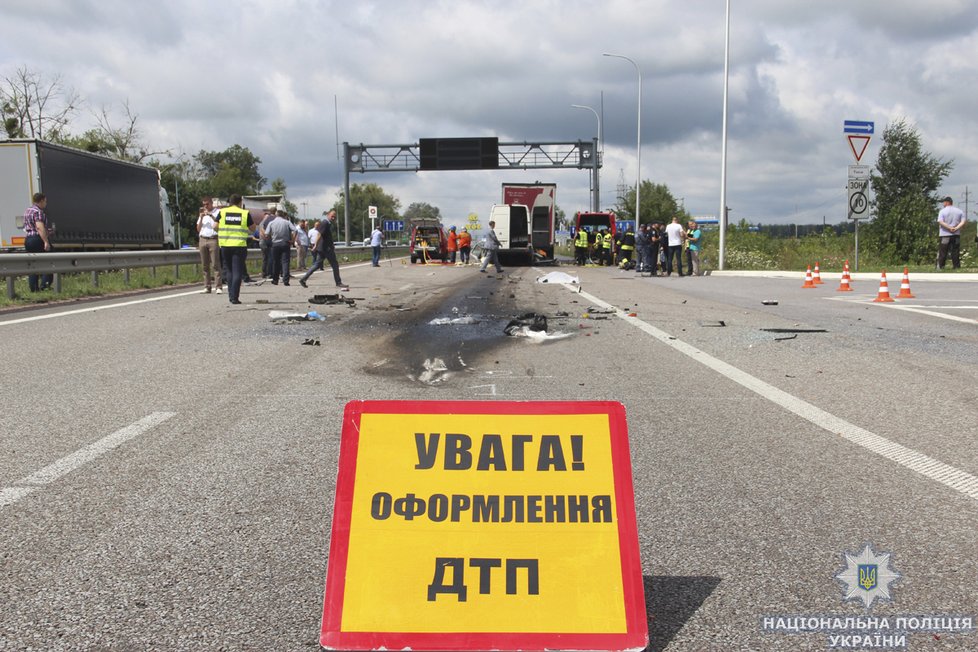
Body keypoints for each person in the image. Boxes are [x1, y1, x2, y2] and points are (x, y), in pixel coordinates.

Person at [217, 194, 255, 305]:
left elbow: (215, 226)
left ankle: (230, 295)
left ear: (230, 202)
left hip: (225, 245)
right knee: (237, 271)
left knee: (229, 270)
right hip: (239, 245)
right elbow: (253, 229)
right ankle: (234, 297)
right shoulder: (244, 213)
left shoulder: (222, 212)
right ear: (240, 202)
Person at [300, 209, 347, 289]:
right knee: (335, 265)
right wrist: (315, 245)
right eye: (332, 216)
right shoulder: (325, 223)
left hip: (324, 248)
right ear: (328, 215)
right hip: (326, 249)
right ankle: (338, 282)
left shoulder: (327, 223)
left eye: (334, 217)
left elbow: (325, 236)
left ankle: (303, 279)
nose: (333, 218)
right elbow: (319, 235)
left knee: (316, 265)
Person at [22, 192, 53, 292]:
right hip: (37, 239)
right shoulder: (38, 211)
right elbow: (39, 227)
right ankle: (45, 286)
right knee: (48, 263)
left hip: (28, 240)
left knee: (33, 265)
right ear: (41, 200)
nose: (46, 204)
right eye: (45, 201)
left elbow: (29, 226)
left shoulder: (27, 211)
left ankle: (33, 289)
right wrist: (46, 241)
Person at [196, 196, 223, 294]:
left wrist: (210, 215)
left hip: (213, 239)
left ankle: (218, 286)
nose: (205, 206)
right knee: (205, 265)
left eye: (207, 204)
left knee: (215, 264)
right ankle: (207, 286)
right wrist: (202, 216)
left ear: (211, 203)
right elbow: (198, 229)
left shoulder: (217, 212)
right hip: (203, 239)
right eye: (204, 204)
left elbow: (218, 225)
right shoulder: (202, 214)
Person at [266, 210, 297, 285]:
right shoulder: (287, 222)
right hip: (285, 243)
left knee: (275, 262)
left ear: (276, 215)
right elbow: (295, 230)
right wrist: (292, 240)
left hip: (275, 244)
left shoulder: (271, 223)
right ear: (283, 215)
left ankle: (275, 280)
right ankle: (286, 280)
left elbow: (266, 234)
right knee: (285, 262)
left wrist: (271, 237)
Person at [937, 196, 966, 270]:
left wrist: (949, 228)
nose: (943, 204)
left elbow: (940, 221)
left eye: (944, 202)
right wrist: (956, 228)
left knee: (943, 252)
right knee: (955, 251)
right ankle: (956, 267)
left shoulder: (942, 211)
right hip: (956, 235)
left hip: (945, 234)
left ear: (946, 202)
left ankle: (941, 267)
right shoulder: (959, 211)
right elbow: (963, 221)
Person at [258, 209, 275, 278]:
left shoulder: (261, 223)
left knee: (265, 258)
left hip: (263, 242)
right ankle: (267, 273)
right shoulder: (263, 224)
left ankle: (264, 273)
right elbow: (264, 234)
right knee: (268, 257)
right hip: (264, 242)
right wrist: (268, 236)